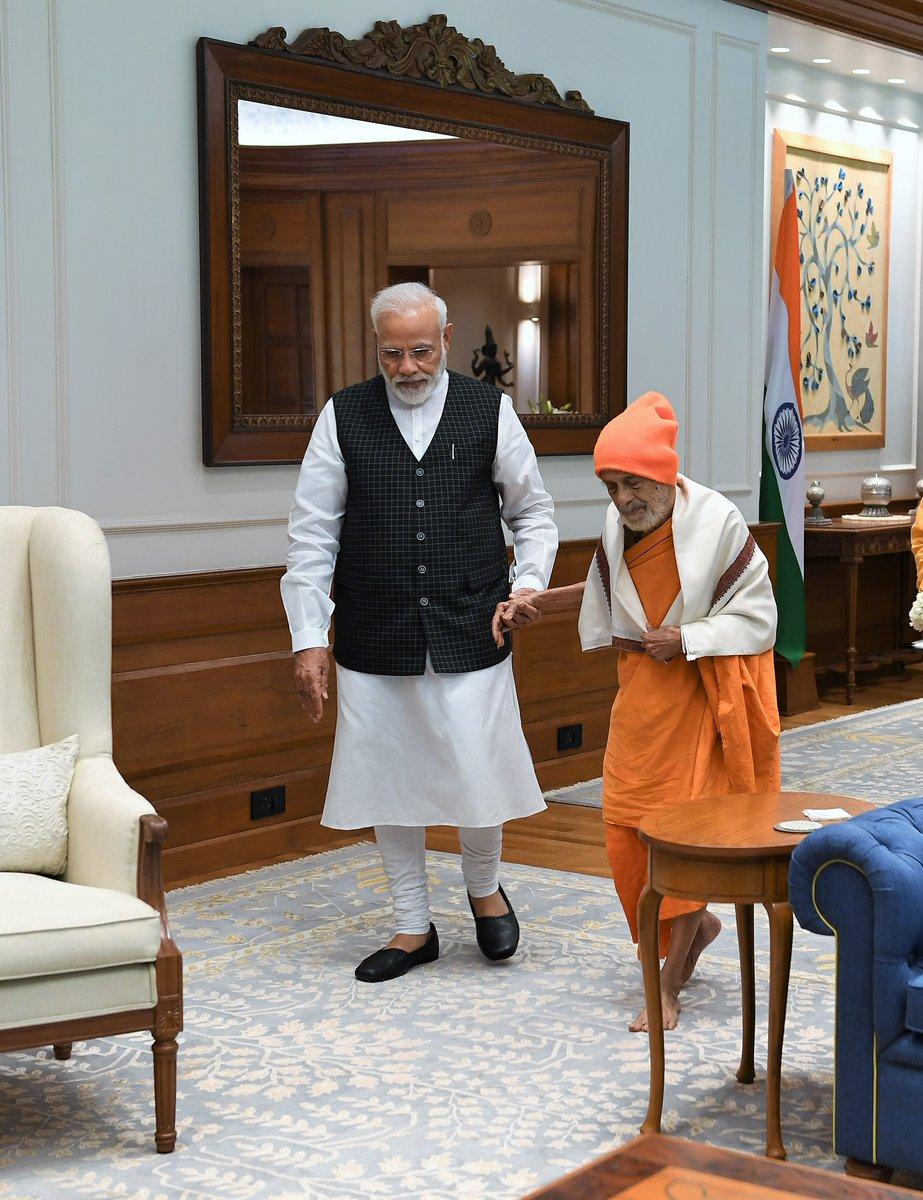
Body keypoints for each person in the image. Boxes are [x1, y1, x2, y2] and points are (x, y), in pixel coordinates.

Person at [281, 282, 557, 983]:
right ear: (376, 347)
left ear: (447, 337)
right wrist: (309, 636)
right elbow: (312, 534)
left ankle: (483, 886)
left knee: (477, 766)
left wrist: (526, 584)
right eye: (392, 353)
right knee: (389, 779)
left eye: (421, 351)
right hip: (376, 625)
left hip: (473, 618)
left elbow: (533, 514)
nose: (407, 367)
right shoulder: (342, 416)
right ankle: (412, 927)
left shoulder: (487, 408)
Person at [495, 392, 780, 1030]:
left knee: (677, 835)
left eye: (631, 482)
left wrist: (689, 638)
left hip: (705, 698)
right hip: (642, 698)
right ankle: (695, 928)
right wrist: (533, 605)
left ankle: (669, 983)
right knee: (625, 831)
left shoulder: (719, 522)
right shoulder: (617, 523)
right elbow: (602, 589)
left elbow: (760, 618)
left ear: (663, 474)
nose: (622, 498)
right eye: (611, 484)